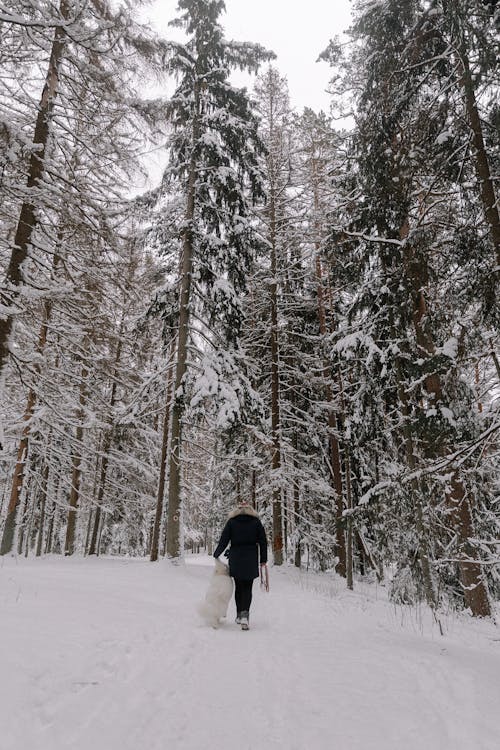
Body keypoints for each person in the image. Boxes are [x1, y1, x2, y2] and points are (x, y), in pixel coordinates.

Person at [213, 503, 268, 630]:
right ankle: (245, 616)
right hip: (251, 558)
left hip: (236, 558)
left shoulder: (231, 522)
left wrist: (216, 554)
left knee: (239, 587)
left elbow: (224, 540)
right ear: (251, 511)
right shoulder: (256, 522)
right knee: (248, 587)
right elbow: (263, 541)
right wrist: (263, 559)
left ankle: (239, 614)